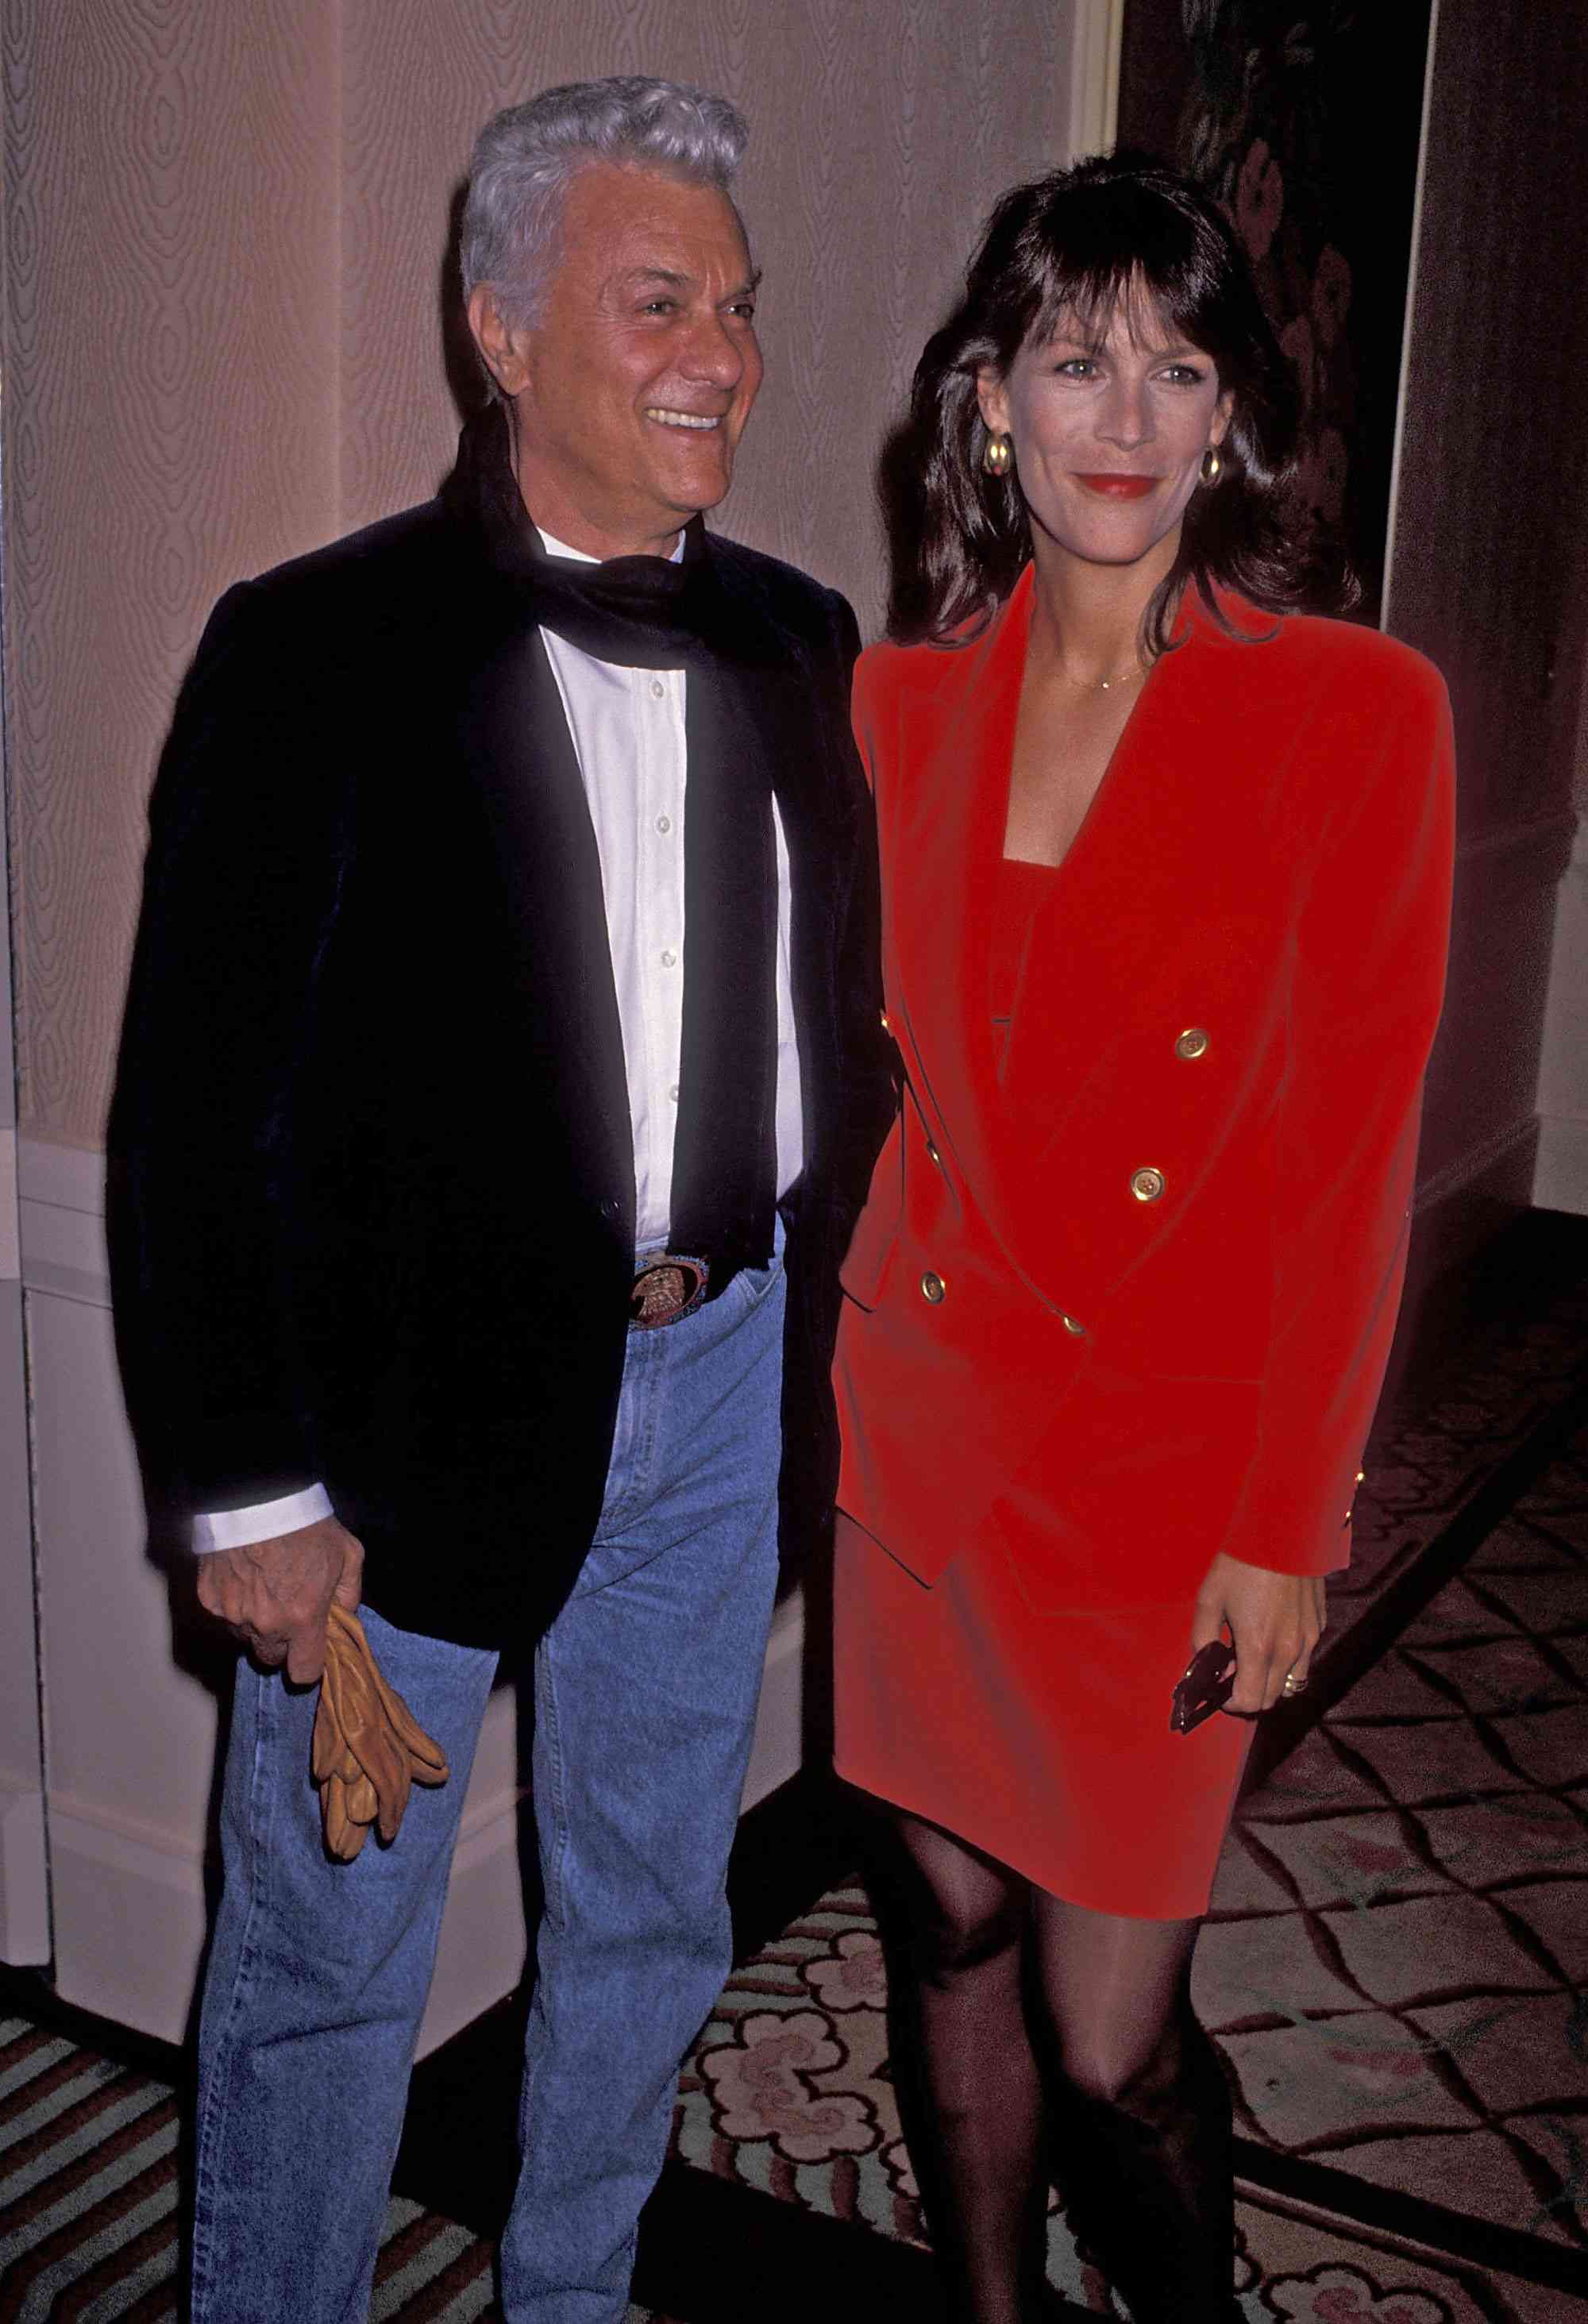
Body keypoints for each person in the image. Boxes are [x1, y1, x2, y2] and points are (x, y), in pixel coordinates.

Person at [107, 75, 888, 2324]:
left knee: (653, 1908)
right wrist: (249, 1486)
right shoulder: (316, 646)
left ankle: (574, 2295)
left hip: (721, 1373)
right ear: (497, 327)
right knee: (329, 1958)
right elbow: (195, 1109)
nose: (722, 357)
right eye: (659, 303)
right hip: (406, 1412)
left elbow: (847, 1020)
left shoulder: (794, 634)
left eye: (737, 308)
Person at [831, 154, 1454, 2324]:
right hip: (929, 1447)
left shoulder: (1355, 715)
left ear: (1230, 420)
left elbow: (1347, 1157)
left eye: (1176, 364)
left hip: (1169, 1478)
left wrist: (1289, 1522)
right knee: (955, 1935)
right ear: (988, 400)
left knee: (1113, 2037)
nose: (1123, 411)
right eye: (1075, 357)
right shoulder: (897, 713)